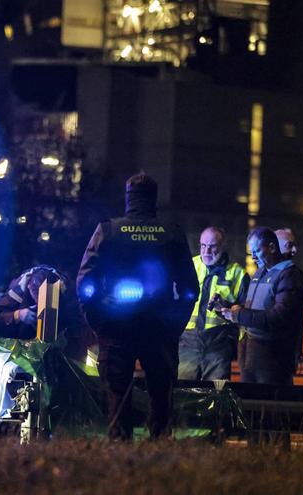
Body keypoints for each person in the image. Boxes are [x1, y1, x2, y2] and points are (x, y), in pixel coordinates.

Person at [77, 172, 198, 440]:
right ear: (154, 199)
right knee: (161, 398)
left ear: (128, 198)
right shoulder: (172, 233)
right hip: (160, 328)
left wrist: (99, 323)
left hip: (116, 328)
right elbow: (190, 288)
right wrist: (175, 324)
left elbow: (86, 283)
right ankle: (159, 456)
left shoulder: (108, 230)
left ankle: (120, 463)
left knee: (117, 398)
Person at [220, 227, 303, 385]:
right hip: (250, 353)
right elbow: (253, 309)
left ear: (272, 248)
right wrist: (226, 308)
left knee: (270, 403)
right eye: (251, 252)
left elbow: (280, 316)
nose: (252, 257)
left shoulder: (290, 275)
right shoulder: (260, 273)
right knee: (250, 402)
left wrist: (240, 315)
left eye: (256, 251)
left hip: (273, 356)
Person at [178, 227, 249, 381]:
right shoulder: (190, 266)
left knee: (216, 393)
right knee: (184, 391)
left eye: (212, 246)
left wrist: (227, 307)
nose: (206, 251)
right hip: (188, 341)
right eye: (203, 245)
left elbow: (245, 314)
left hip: (218, 343)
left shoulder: (238, 273)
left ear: (223, 246)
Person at [0, 265, 90, 363]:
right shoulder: (19, 288)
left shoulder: (67, 294)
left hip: (53, 349)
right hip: (19, 347)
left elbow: (78, 324)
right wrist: (18, 315)